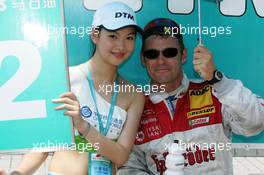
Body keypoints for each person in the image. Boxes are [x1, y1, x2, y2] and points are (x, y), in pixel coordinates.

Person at [117, 18, 264, 175]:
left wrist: (217, 80)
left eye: (169, 52)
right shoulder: (136, 106)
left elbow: (255, 123)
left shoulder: (214, 90)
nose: (160, 61)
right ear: (143, 59)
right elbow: (129, 168)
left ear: (183, 55)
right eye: (152, 54)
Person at [13, 2, 144, 175]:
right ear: (95, 35)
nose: (121, 45)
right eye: (113, 36)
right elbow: (43, 146)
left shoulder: (134, 95)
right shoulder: (65, 78)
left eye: (129, 37)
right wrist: (17, 173)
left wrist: (83, 125)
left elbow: (121, 156)